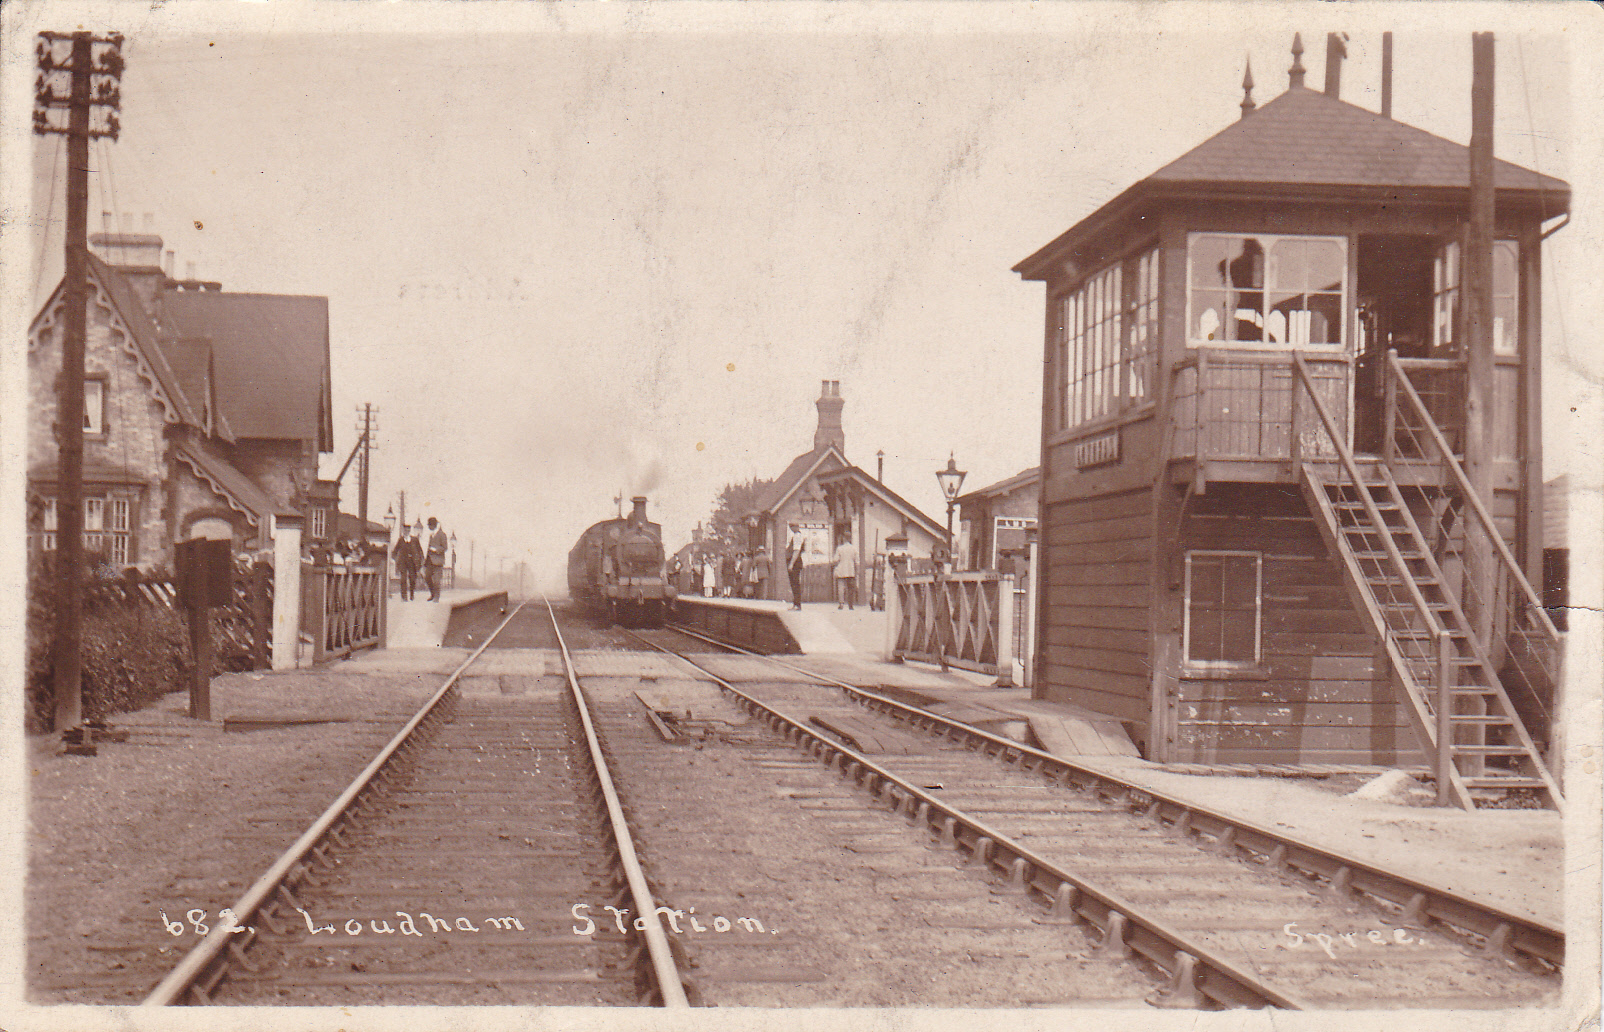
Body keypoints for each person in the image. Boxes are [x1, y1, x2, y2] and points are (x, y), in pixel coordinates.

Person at [394, 523, 423, 600]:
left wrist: (420, 560)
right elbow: (395, 551)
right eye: (405, 530)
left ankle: (412, 594)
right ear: (403, 531)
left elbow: (420, 551)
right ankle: (404, 596)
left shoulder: (414, 540)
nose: (406, 532)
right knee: (403, 579)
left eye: (408, 530)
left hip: (412, 561)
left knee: (412, 579)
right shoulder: (400, 540)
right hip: (403, 562)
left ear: (409, 531)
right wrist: (395, 560)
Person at [423, 516, 449, 602]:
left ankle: (436, 597)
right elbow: (428, 549)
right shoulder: (431, 535)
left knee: (437, 580)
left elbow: (445, 547)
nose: (428, 527)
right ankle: (433, 594)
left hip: (438, 561)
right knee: (427, 577)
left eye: (429, 525)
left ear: (433, 525)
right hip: (430, 561)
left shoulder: (442, 534)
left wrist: (436, 549)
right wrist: (426, 561)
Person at [833, 532, 858, 610]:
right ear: (850, 539)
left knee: (841, 587)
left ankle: (841, 603)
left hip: (841, 570)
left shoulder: (839, 548)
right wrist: (856, 571)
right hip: (850, 570)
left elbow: (835, 560)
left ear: (843, 538)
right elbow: (856, 561)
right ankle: (850, 605)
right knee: (850, 588)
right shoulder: (854, 548)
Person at [786, 529, 805, 610]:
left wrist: (791, 564)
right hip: (795, 562)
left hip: (795, 563)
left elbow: (796, 551)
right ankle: (796, 604)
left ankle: (797, 604)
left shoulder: (797, 536)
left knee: (795, 583)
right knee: (794, 584)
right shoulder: (796, 536)